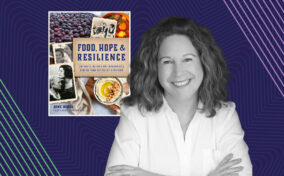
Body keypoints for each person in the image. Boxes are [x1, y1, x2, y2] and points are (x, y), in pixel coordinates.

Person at [105, 17, 252, 176]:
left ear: (204, 63)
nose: (178, 72)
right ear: (154, 68)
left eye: (187, 59)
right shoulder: (134, 116)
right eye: (167, 62)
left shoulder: (225, 117)